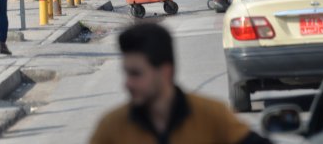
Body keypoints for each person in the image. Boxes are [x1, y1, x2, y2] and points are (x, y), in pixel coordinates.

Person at [90, 23, 271, 144]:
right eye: (126, 73)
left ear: (166, 72)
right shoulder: (112, 128)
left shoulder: (211, 116)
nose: (127, 84)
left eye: (136, 74)